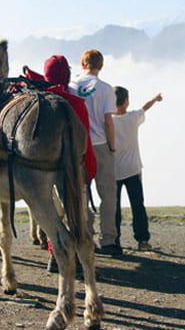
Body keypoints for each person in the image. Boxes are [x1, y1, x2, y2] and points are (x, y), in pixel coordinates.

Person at [23, 54, 97, 271]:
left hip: (43, 169)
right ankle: (83, 264)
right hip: (74, 170)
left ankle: (55, 254)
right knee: (78, 214)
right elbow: (86, 142)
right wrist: (89, 171)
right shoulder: (74, 103)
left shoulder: (39, 101)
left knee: (52, 214)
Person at [69, 49, 121, 256]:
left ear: (83, 64)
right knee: (108, 194)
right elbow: (109, 121)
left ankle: (86, 235)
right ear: (101, 65)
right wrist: (112, 146)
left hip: (78, 145)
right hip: (100, 144)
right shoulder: (106, 89)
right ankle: (109, 240)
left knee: (81, 193)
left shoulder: (72, 86)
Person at [112, 87, 162, 251]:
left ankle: (114, 240)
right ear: (126, 101)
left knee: (114, 208)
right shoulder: (133, 117)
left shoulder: (108, 121)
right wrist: (155, 99)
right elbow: (145, 107)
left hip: (113, 171)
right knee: (138, 206)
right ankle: (142, 240)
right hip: (133, 170)